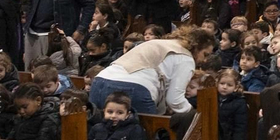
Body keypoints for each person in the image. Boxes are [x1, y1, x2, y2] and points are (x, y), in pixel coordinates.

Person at [88, 27, 217, 116]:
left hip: (99, 81)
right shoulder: (186, 57)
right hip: (133, 89)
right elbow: (174, 100)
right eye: (205, 54)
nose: (204, 60)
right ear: (196, 47)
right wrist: (194, 115)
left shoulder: (158, 42)